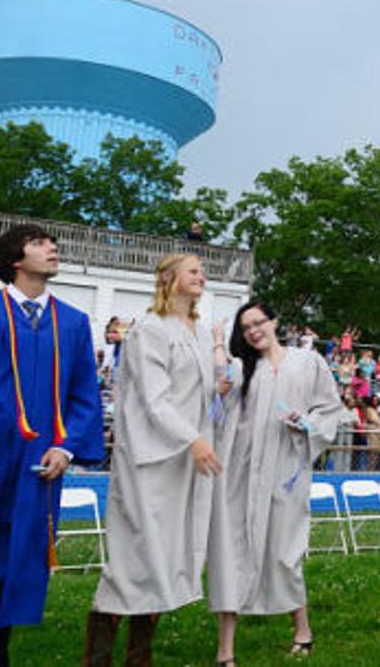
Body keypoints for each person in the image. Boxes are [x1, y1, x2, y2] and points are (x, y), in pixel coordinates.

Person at [83, 254, 227, 665]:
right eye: (194, 270)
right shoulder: (150, 328)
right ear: (169, 278)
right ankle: (98, 656)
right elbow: (154, 399)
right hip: (151, 458)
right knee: (136, 554)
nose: (202, 275)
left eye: (203, 270)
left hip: (183, 459)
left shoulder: (197, 331)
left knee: (166, 554)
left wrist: (221, 383)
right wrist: (194, 439)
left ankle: (139, 655)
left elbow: (197, 391)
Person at [0, 224, 104, 667]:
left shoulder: (71, 322)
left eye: (53, 243)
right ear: (15, 259)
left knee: (19, 558)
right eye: (39, 243)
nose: (52, 248)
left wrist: (66, 448)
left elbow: (84, 395)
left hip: (39, 464)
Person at [207, 301, 347, 665]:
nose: (254, 331)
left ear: (274, 322)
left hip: (286, 470)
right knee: (231, 551)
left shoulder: (307, 362)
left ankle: (302, 629)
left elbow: (330, 408)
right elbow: (216, 415)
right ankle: (226, 650)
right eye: (246, 327)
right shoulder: (241, 369)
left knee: (285, 552)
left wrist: (307, 422)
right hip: (240, 472)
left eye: (259, 323)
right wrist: (219, 354)